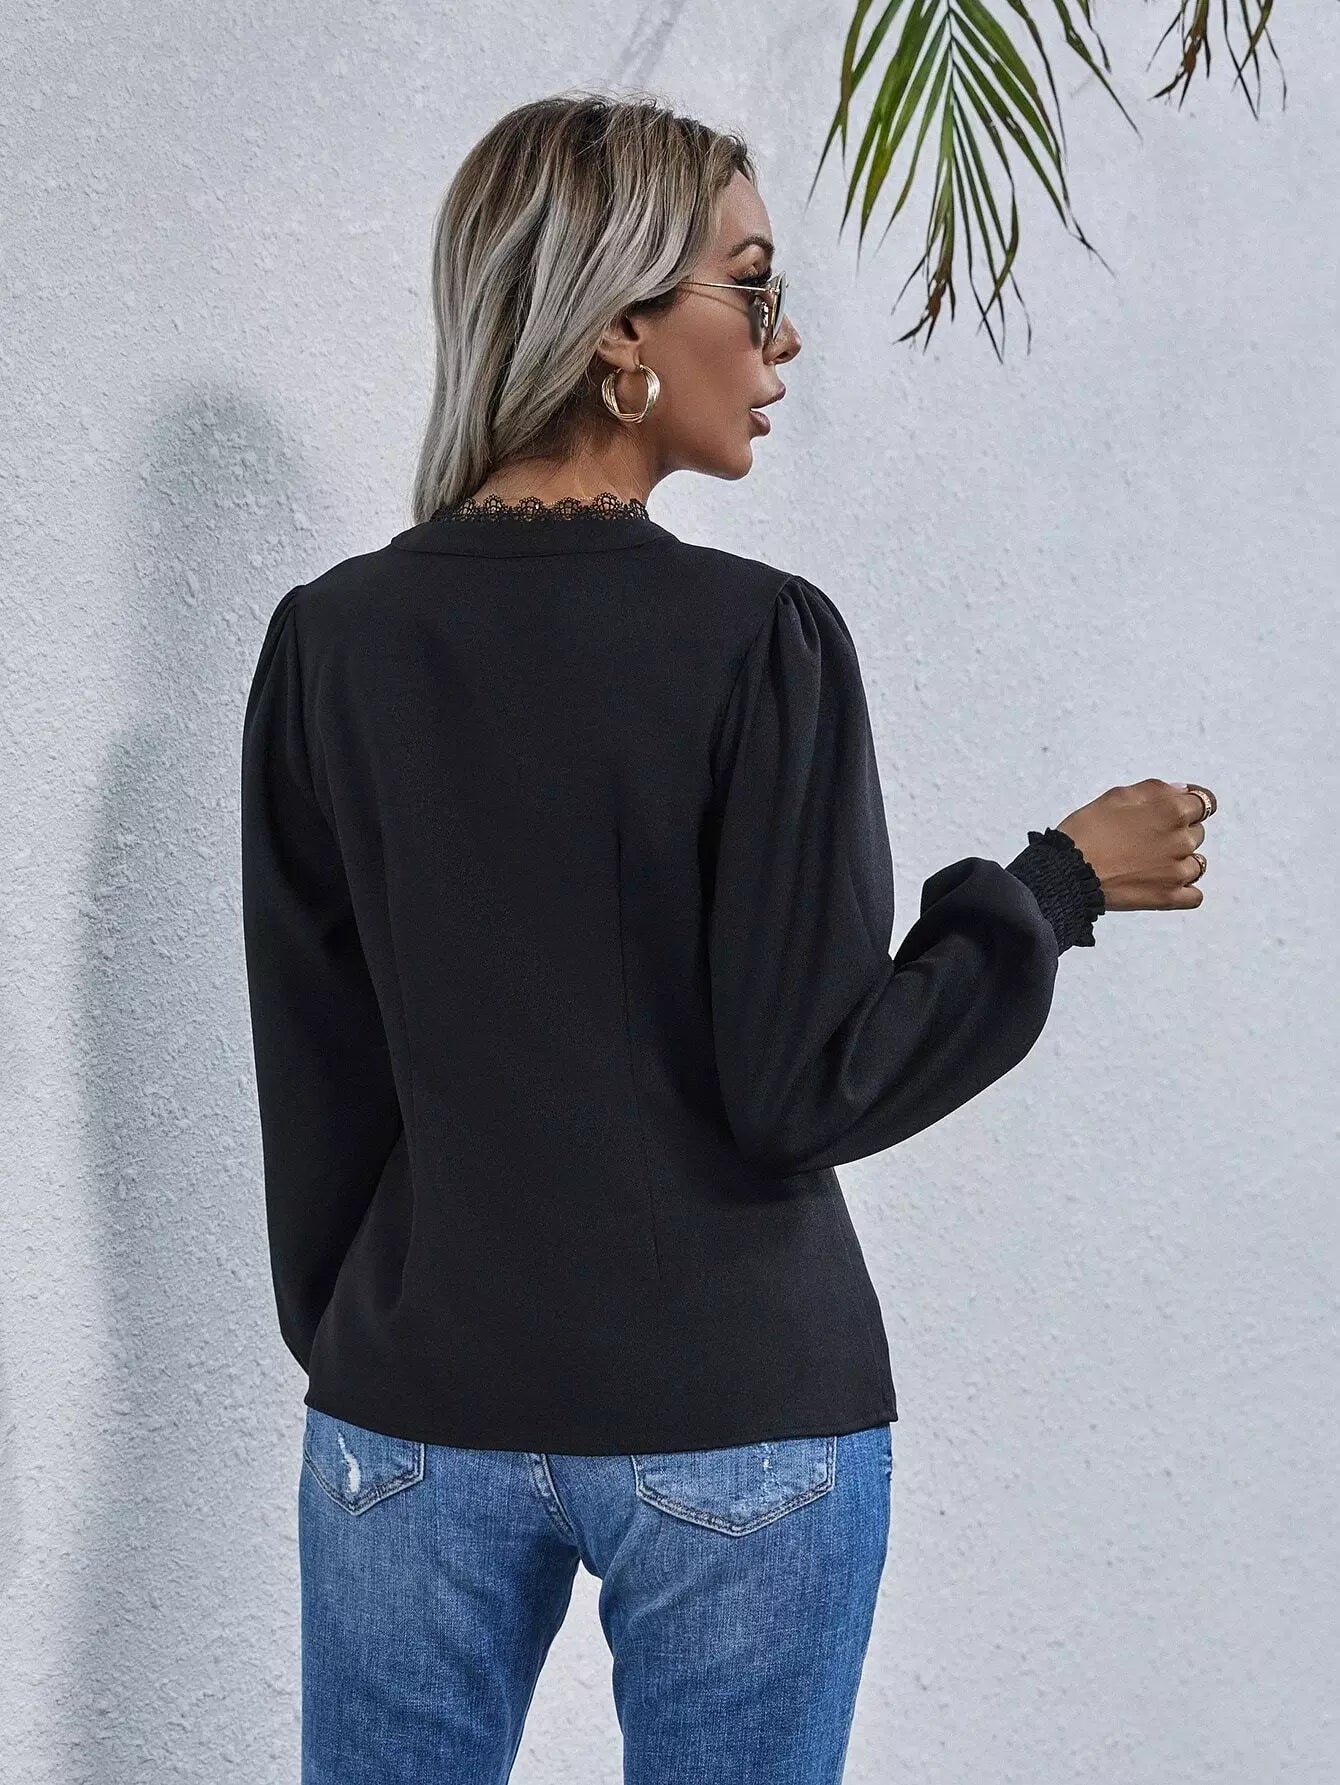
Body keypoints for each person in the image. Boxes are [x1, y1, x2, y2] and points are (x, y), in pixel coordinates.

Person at [239, 90, 1216, 1785]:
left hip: (409, 1420)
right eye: (752, 287)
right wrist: (1056, 885)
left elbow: (318, 1072)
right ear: (619, 327)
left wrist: (377, 1342)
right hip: (737, 1413)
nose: (784, 340)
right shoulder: (760, 640)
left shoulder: (329, 644)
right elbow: (806, 1082)